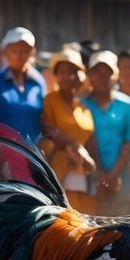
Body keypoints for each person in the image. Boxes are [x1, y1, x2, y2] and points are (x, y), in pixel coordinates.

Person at [0, 27, 44, 180]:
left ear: (32, 53)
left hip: (33, 162)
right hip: (2, 162)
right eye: (14, 50)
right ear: (5, 52)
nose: (20, 55)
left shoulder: (37, 85)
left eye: (25, 50)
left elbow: (41, 123)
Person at [41, 48, 97, 212]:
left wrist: (95, 165)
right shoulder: (50, 100)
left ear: (79, 76)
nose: (65, 77)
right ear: (55, 75)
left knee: (84, 214)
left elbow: (91, 139)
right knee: (64, 214)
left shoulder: (84, 108)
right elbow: (48, 128)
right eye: (61, 72)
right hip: (61, 166)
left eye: (71, 72)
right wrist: (74, 146)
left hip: (83, 169)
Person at [83, 50, 130, 215]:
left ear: (117, 75)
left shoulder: (126, 105)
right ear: (89, 75)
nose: (102, 76)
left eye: (108, 72)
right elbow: (85, 139)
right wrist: (98, 171)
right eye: (97, 72)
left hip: (120, 178)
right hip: (90, 178)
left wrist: (113, 174)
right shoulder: (82, 105)